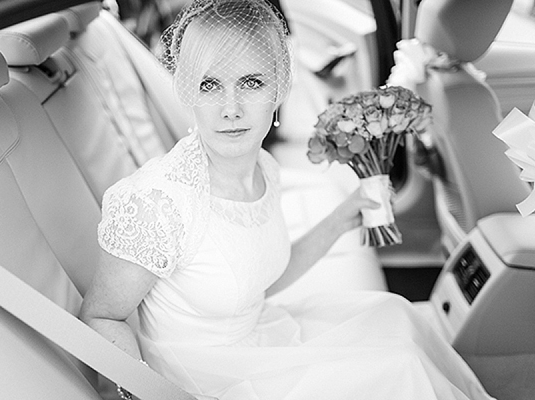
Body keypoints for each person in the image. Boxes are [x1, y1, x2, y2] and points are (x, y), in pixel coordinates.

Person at [79, 1, 494, 399]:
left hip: (261, 341)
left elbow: (263, 278)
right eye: (209, 85)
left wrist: (342, 217)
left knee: (398, 319)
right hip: (206, 382)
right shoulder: (156, 203)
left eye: (251, 82)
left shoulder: (263, 168)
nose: (230, 108)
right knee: (399, 368)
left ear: (278, 89)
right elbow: (102, 316)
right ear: (187, 91)